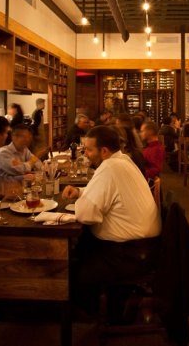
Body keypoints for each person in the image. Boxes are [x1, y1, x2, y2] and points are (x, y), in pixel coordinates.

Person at [62, 126, 161, 310]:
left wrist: (80, 201)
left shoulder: (109, 167)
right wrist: (80, 192)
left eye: (89, 150)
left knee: (76, 266)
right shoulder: (122, 160)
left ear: (104, 151)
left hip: (130, 254)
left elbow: (86, 215)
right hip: (146, 245)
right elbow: (110, 192)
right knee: (83, 244)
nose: (86, 154)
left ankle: (87, 309)